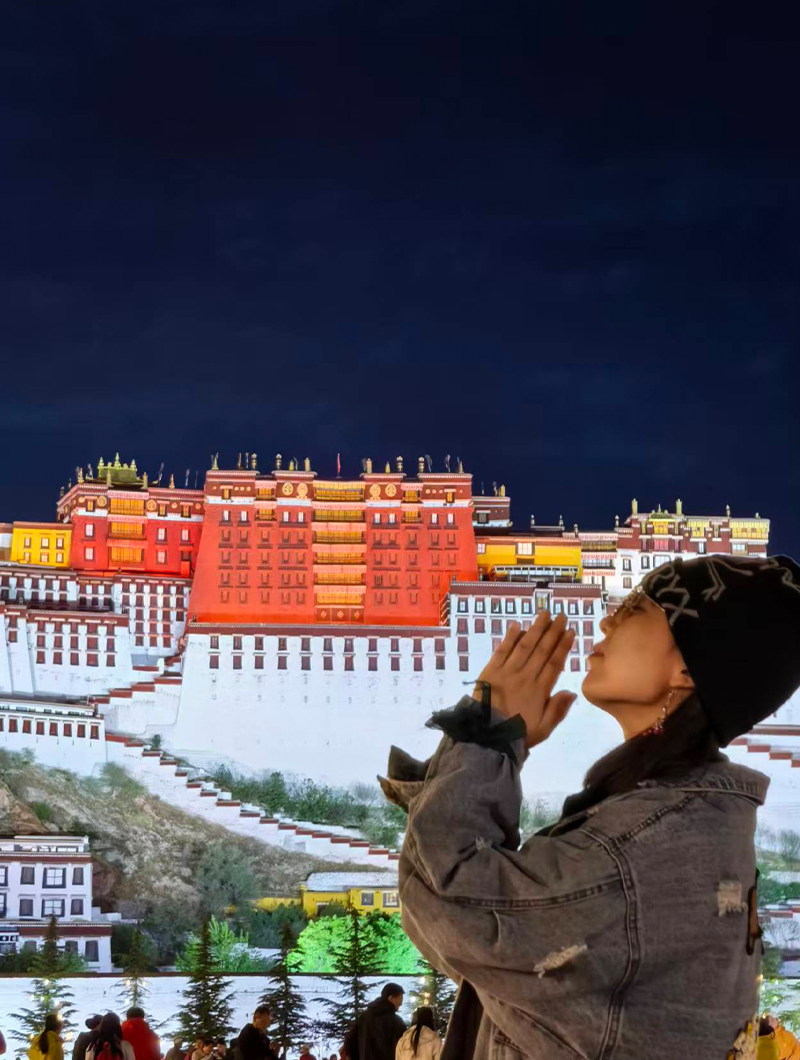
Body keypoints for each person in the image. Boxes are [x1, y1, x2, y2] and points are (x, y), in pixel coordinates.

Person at [379, 555, 800, 1060]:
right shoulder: (675, 826)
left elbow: (450, 905)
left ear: (689, 669)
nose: (606, 619)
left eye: (636, 609)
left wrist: (487, 731)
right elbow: (489, 953)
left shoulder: (647, 852)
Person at [342, 983, 405, 1060]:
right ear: (391, 998)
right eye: (400, 998)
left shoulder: (364, 1017)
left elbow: (350, 1042)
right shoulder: (396, 1022)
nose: (401, 1003)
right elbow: (404, 1047)